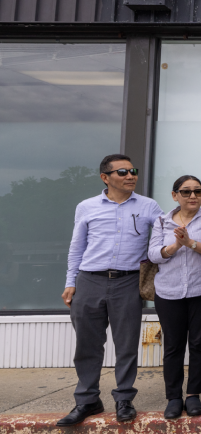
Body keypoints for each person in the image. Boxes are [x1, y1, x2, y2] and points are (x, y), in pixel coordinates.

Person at [57, 154, 163, 426]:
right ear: (105, 177)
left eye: (133, 171)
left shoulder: (148, 206)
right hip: (89, 281)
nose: (130, 176)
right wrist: (71, 282)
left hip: (128, 282)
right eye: (122, 172)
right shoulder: (87, 207)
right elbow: (76, 247)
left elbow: (171, 228)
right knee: (87, 345)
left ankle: (124, 398)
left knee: (127, 344)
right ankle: (87, 399)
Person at [148, 175, 201, 419]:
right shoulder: (162, 221)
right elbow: (153, 255)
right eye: (186, 191)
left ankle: (193, 396)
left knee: (200, 344)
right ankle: (173, 397)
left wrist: (190, 243)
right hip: (169, 292)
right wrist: (175, 247)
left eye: (198, 191)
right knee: (173, 346)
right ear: (175, 195)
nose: (193, 196)